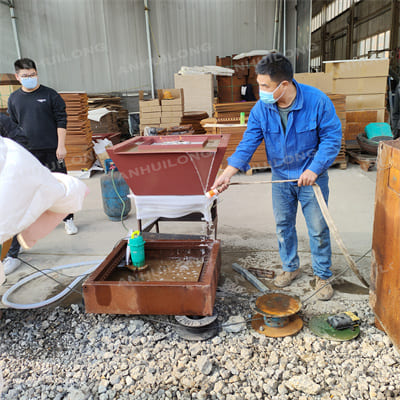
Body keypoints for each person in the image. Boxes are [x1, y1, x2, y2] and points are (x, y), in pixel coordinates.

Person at [212, 53, 342, 301]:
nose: (260, 91)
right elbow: (249, 141)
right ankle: (290, 268)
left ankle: (323, 275)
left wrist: (314, 169)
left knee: (317, 229)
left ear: (284, 85)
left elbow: (332, 139)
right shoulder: (262, 108)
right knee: (284, 226)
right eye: (259, 85)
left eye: (265, 86)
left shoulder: (317, 102)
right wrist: (228, 172)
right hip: (281, 177)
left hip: (311, 178)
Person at [2, 58, 78, 275]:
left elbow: (61, 121)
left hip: (53, 149)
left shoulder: (50, 94)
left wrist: (61, 146)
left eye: (32, 74)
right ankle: (27, 232)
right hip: (27, 152)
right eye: (25, 75)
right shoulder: (14, 98)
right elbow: (13, 126)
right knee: (26, 190)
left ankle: (69, 220)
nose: (29, 78)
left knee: (60, 185)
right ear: (17, 77)